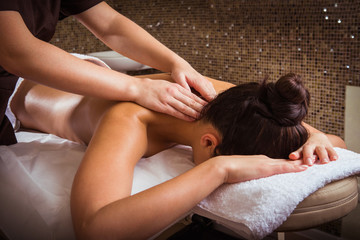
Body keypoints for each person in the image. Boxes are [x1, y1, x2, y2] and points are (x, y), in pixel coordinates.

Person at [10, 65, 346, 239]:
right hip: (20, 90)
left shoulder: (229, 103)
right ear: (209, 143)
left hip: (93, 76)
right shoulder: (128, 120)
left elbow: (336, 144)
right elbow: (94, 229)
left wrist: (315, 138)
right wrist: (220, 170)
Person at [0, 1, 216, 145]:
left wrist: (176, 63)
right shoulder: (125, 127)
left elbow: (111, 26)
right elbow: (16, 51)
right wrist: (138, 88)